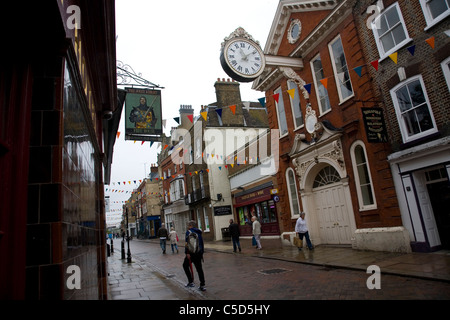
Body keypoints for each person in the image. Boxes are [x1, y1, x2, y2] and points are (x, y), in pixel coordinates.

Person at [182, 220, 206, 291]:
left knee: (185, 265)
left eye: (188, 225)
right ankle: (202, 285)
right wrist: (201, 253)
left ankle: (190, 282)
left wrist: (187, 253)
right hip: (198, 253)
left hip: (191, 253)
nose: (188, 227)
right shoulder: (199, 232)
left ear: (191, 226)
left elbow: (187, 243)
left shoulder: (188, 232)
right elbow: (201, 243)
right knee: (199, 269)